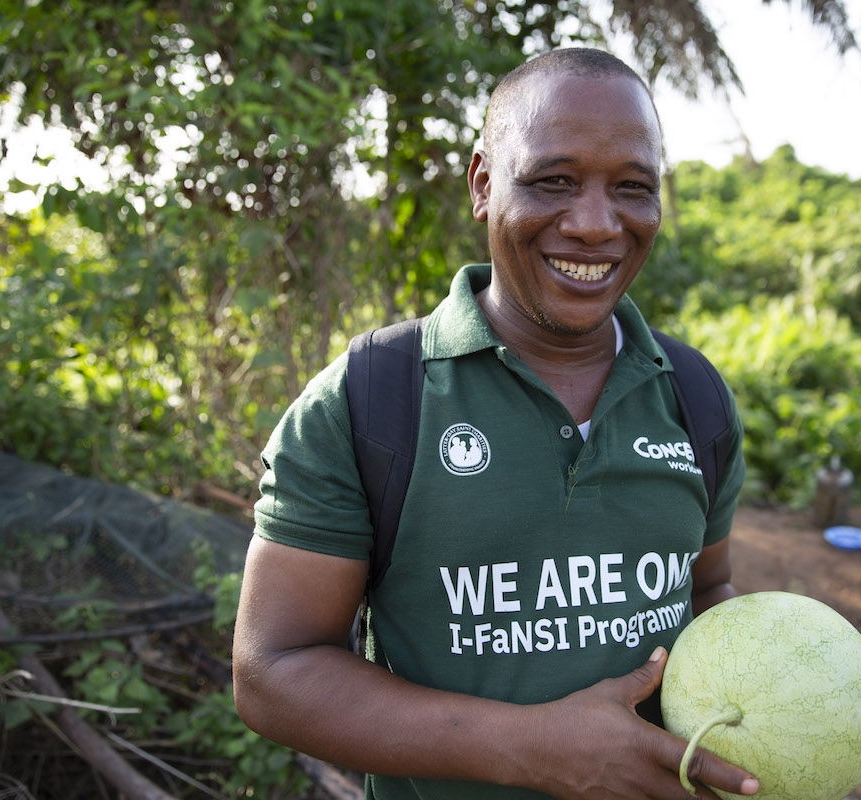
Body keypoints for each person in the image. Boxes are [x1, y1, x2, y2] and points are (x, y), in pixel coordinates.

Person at [232, 47, 756, 800]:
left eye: (633, 188)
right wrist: (529, 749)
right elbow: (273, 671)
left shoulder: (696, 398)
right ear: (483, 183)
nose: (595, 224)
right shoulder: (369, 403)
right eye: (554, 181)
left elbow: (710, 591)